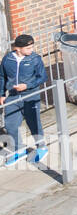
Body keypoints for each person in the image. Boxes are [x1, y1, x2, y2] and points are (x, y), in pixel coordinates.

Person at [1, 34, 48, 165]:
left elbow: (43, 77)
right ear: (17, 48)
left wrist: (27, 85)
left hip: (30, 96)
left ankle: (41, 147)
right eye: (28, 48)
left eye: (32, 47)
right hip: (13, 96)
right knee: (10, 124)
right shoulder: (7, 59)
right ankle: (19, 150)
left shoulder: (35, 59)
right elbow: (2, 77)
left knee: (33, 123)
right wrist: (1, 94)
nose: (31, 50)